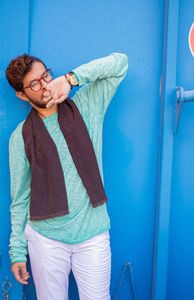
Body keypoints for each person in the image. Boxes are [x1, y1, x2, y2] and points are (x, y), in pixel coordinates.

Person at [6, 52, 128, 300]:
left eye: (46, 76)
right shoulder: (20, 137)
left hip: (93, 234)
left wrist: (71, 79)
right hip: (45, 239)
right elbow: (19, 198)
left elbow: (120, 63)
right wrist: (17, 251)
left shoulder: (86, 106)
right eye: (34, 84)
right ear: (22, 95)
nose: (45, 85)